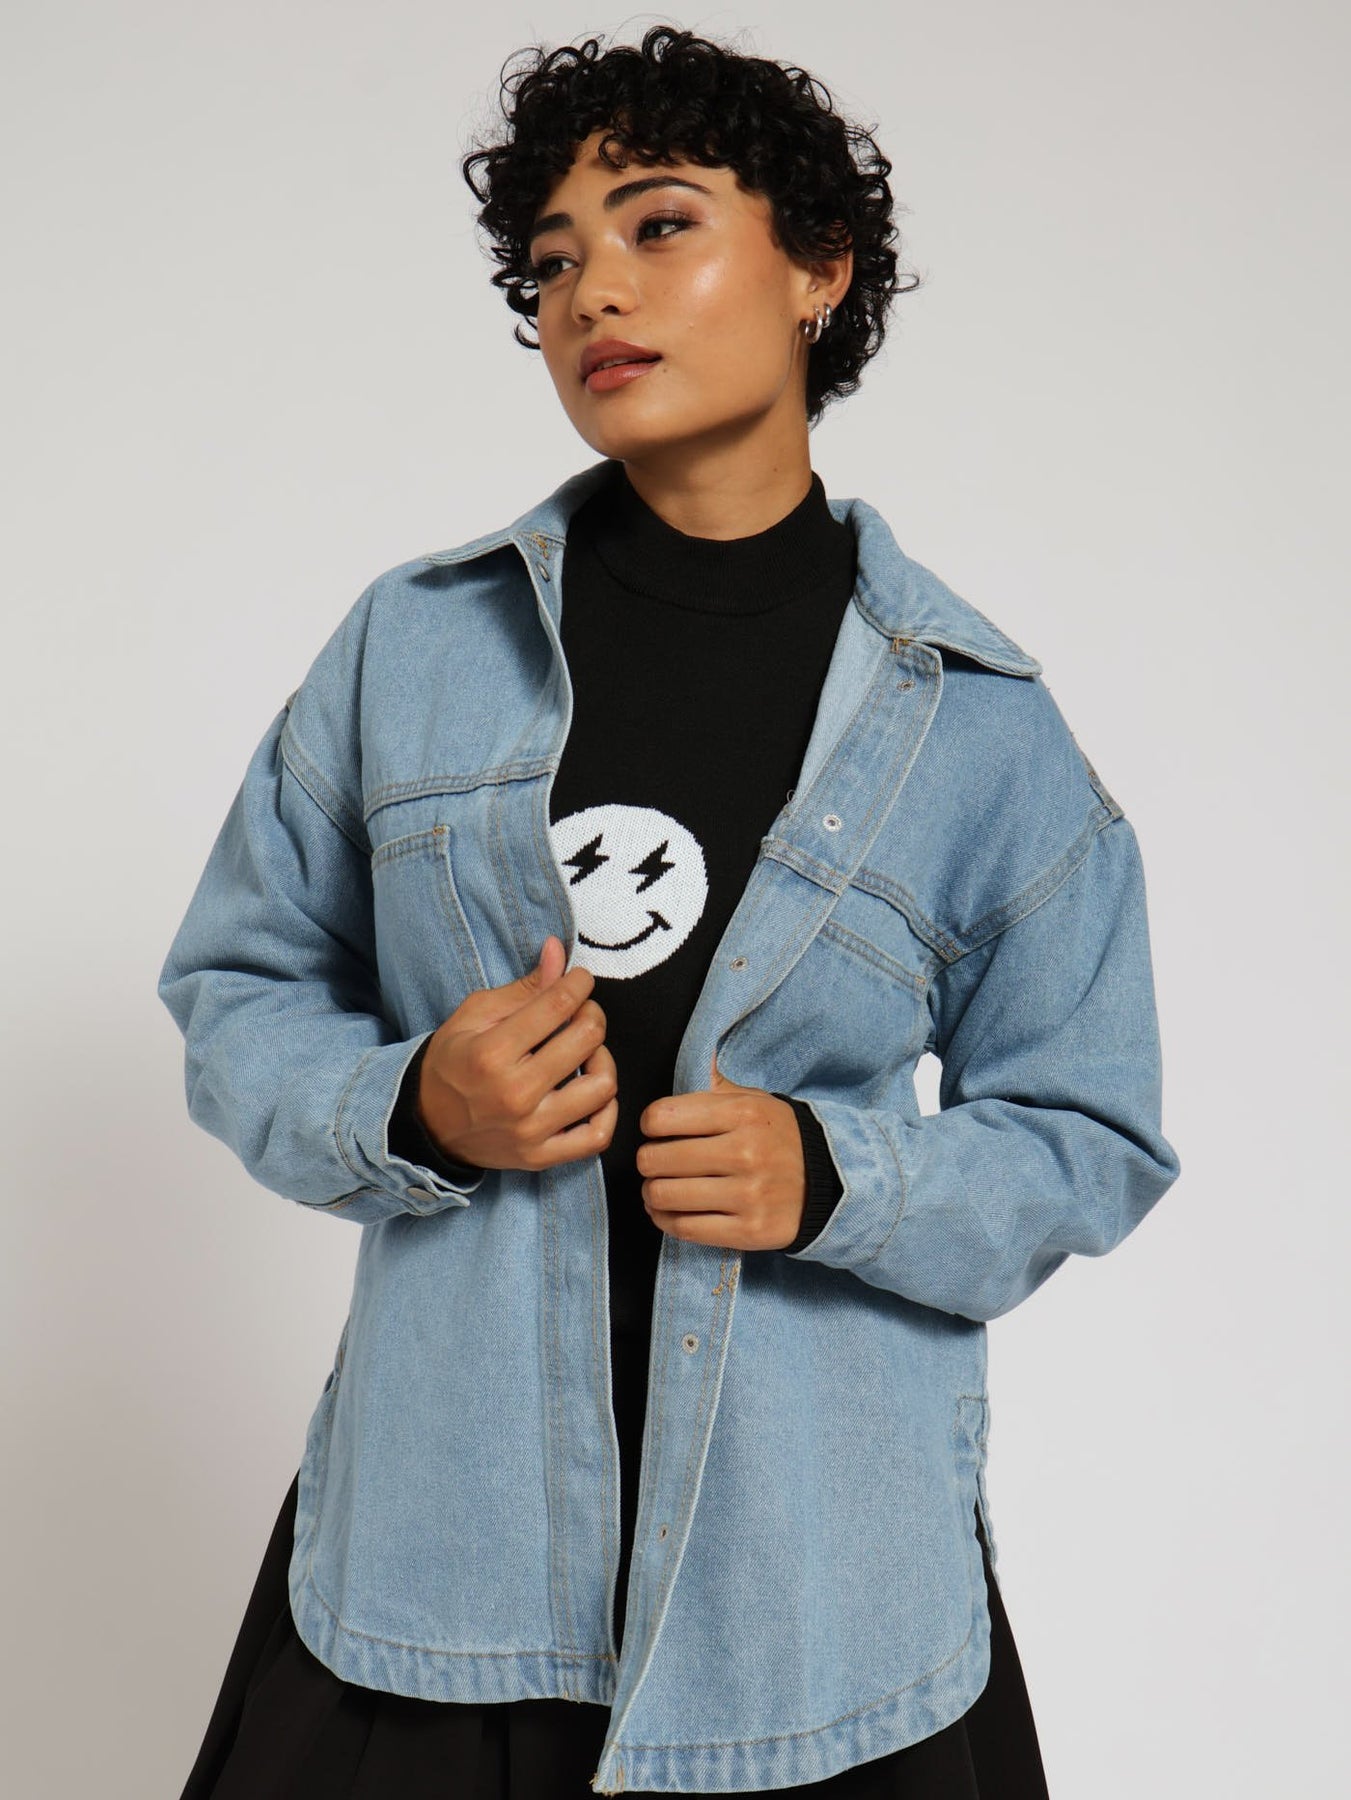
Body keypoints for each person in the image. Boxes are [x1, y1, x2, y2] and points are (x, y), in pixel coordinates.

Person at [159, 25, 1180, 1799]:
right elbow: (239, 986)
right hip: (442, 1577)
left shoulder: (977, 725)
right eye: (554, 262)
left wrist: (839, 1178)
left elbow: (1089, 1133)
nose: (593, 296)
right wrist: (413, 1103)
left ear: (818, 269)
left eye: (658, 226)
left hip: (816, 1614)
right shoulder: (417, 646)